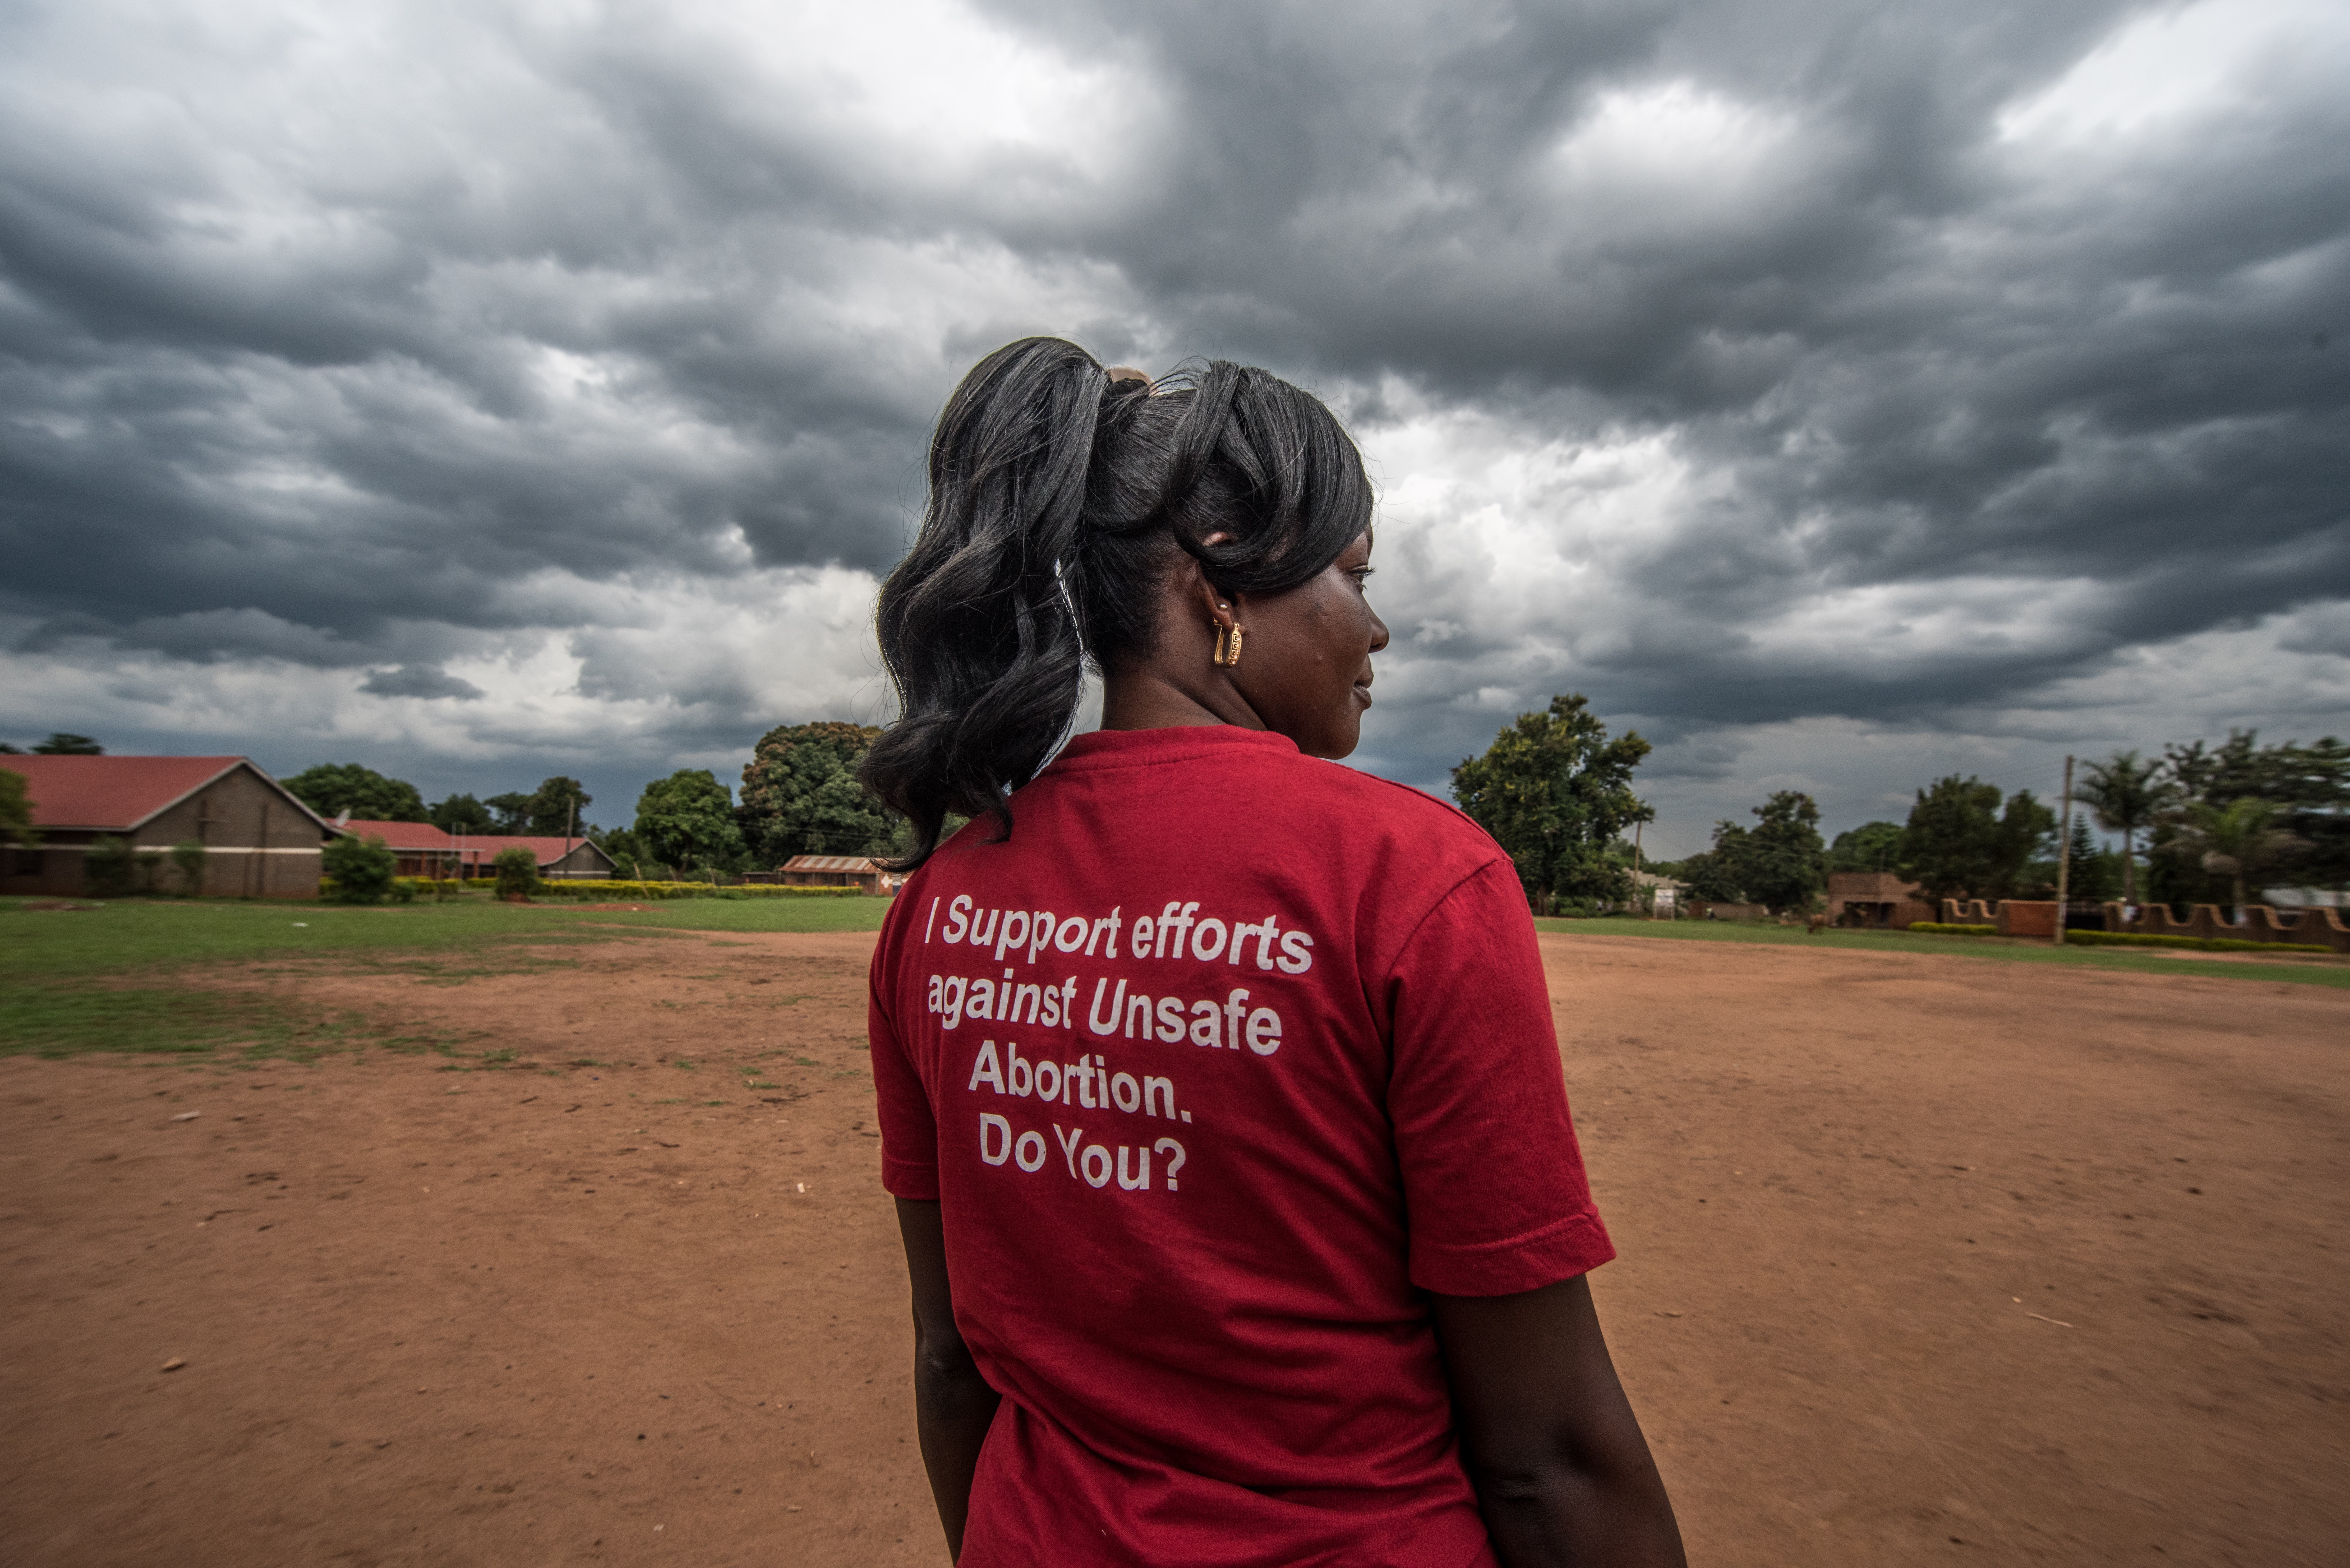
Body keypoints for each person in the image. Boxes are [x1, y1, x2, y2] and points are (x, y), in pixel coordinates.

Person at [860, 336, 1686, 1567]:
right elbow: (1547, 1455)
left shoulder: (940, 905)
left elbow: (949, 1359)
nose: (1380, 628)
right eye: (1355, 575)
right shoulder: (1411, 879)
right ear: (1222, 587)